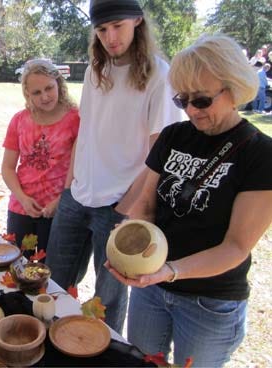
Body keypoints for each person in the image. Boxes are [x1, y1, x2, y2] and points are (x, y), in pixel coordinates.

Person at [106, 34, 272, 367]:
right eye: (183, 100)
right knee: (141, 362)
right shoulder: (173, 136)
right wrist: (127, 247)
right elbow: (146, 205)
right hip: (151, 290)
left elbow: (237, 246)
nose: (192, 111)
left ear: (235, 88)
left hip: (209, 302)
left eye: (202, 100)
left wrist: (170, 271)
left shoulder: (260, 153)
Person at [45, 0, 182, 334]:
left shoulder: (160, 75)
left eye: (117, 25)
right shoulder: (95, 70)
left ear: (137, 20)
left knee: (107, 302)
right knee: (52, 286)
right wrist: (68, 186)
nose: (110, 37)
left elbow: (159, 156)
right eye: (102, 29)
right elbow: (85, 131)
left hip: (120, 204)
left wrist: (127, 208)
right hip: (77, 197)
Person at [1, 59, 79, 256]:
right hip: (21, 209)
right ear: (27, 94)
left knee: (51, 273)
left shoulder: (76, 119)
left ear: (59, 84)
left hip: (59, 211)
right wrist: (23, 199)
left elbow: (82, 170)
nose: (45, 96)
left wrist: (60, 200)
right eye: (36, 92)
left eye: (49, 88)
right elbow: (8, 168)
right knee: (18, 266)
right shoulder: (19, 120)